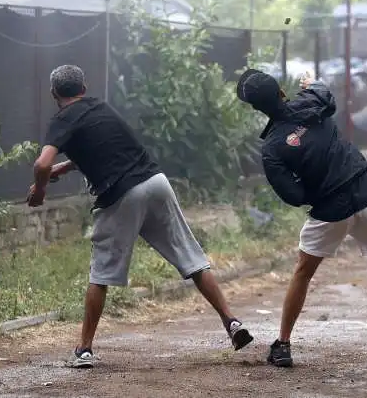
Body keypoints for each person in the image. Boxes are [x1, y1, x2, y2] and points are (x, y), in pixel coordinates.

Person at [27, 64, 253, 368]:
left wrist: (40, 190)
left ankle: (84, 350)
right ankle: (232, 321)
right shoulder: (101, 107)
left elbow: (41, 165)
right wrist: (66, 167)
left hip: (121, 194)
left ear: (54, 93)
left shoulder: (62, 118)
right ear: (85, 86)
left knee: (101, 273)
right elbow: (106, 148)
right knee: (191, 257)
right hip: (155, 182)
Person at [235, 68, 367, 377]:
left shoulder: (272, 147)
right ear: (281, 90)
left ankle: (283, 345)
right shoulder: (311, 101)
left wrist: (313, 186)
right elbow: (326, 95)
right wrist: (311, 82)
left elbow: (292, 195)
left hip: (329, 209)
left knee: (303, 273)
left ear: (256, 108)